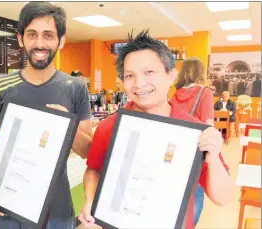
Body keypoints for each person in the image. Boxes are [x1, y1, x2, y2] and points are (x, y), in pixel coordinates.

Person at [78, 30, 233, 229]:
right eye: (129, 75)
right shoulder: (110, 126)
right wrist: (91, 200)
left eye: (149, 72)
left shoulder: (193, 133)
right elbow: (94, 169)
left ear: (171, 75)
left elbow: (223, 198)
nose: (139, 83)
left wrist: (213, 157)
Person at [0, 2, 93, 229]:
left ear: (61, 39)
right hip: (7, 209)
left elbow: (88, 151)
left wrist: (67, 123)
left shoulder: (75, 87)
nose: (39, 43)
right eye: (32, 35)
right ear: (21, 39)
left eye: (48, 35)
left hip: (56, 211)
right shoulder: (1, 87)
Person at [170, 57, 215, 225]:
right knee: (195, 195)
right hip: (194, 152)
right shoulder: (205, 93)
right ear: (200, 72)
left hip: (175, 150)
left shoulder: (175, 94)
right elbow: (208, 126)